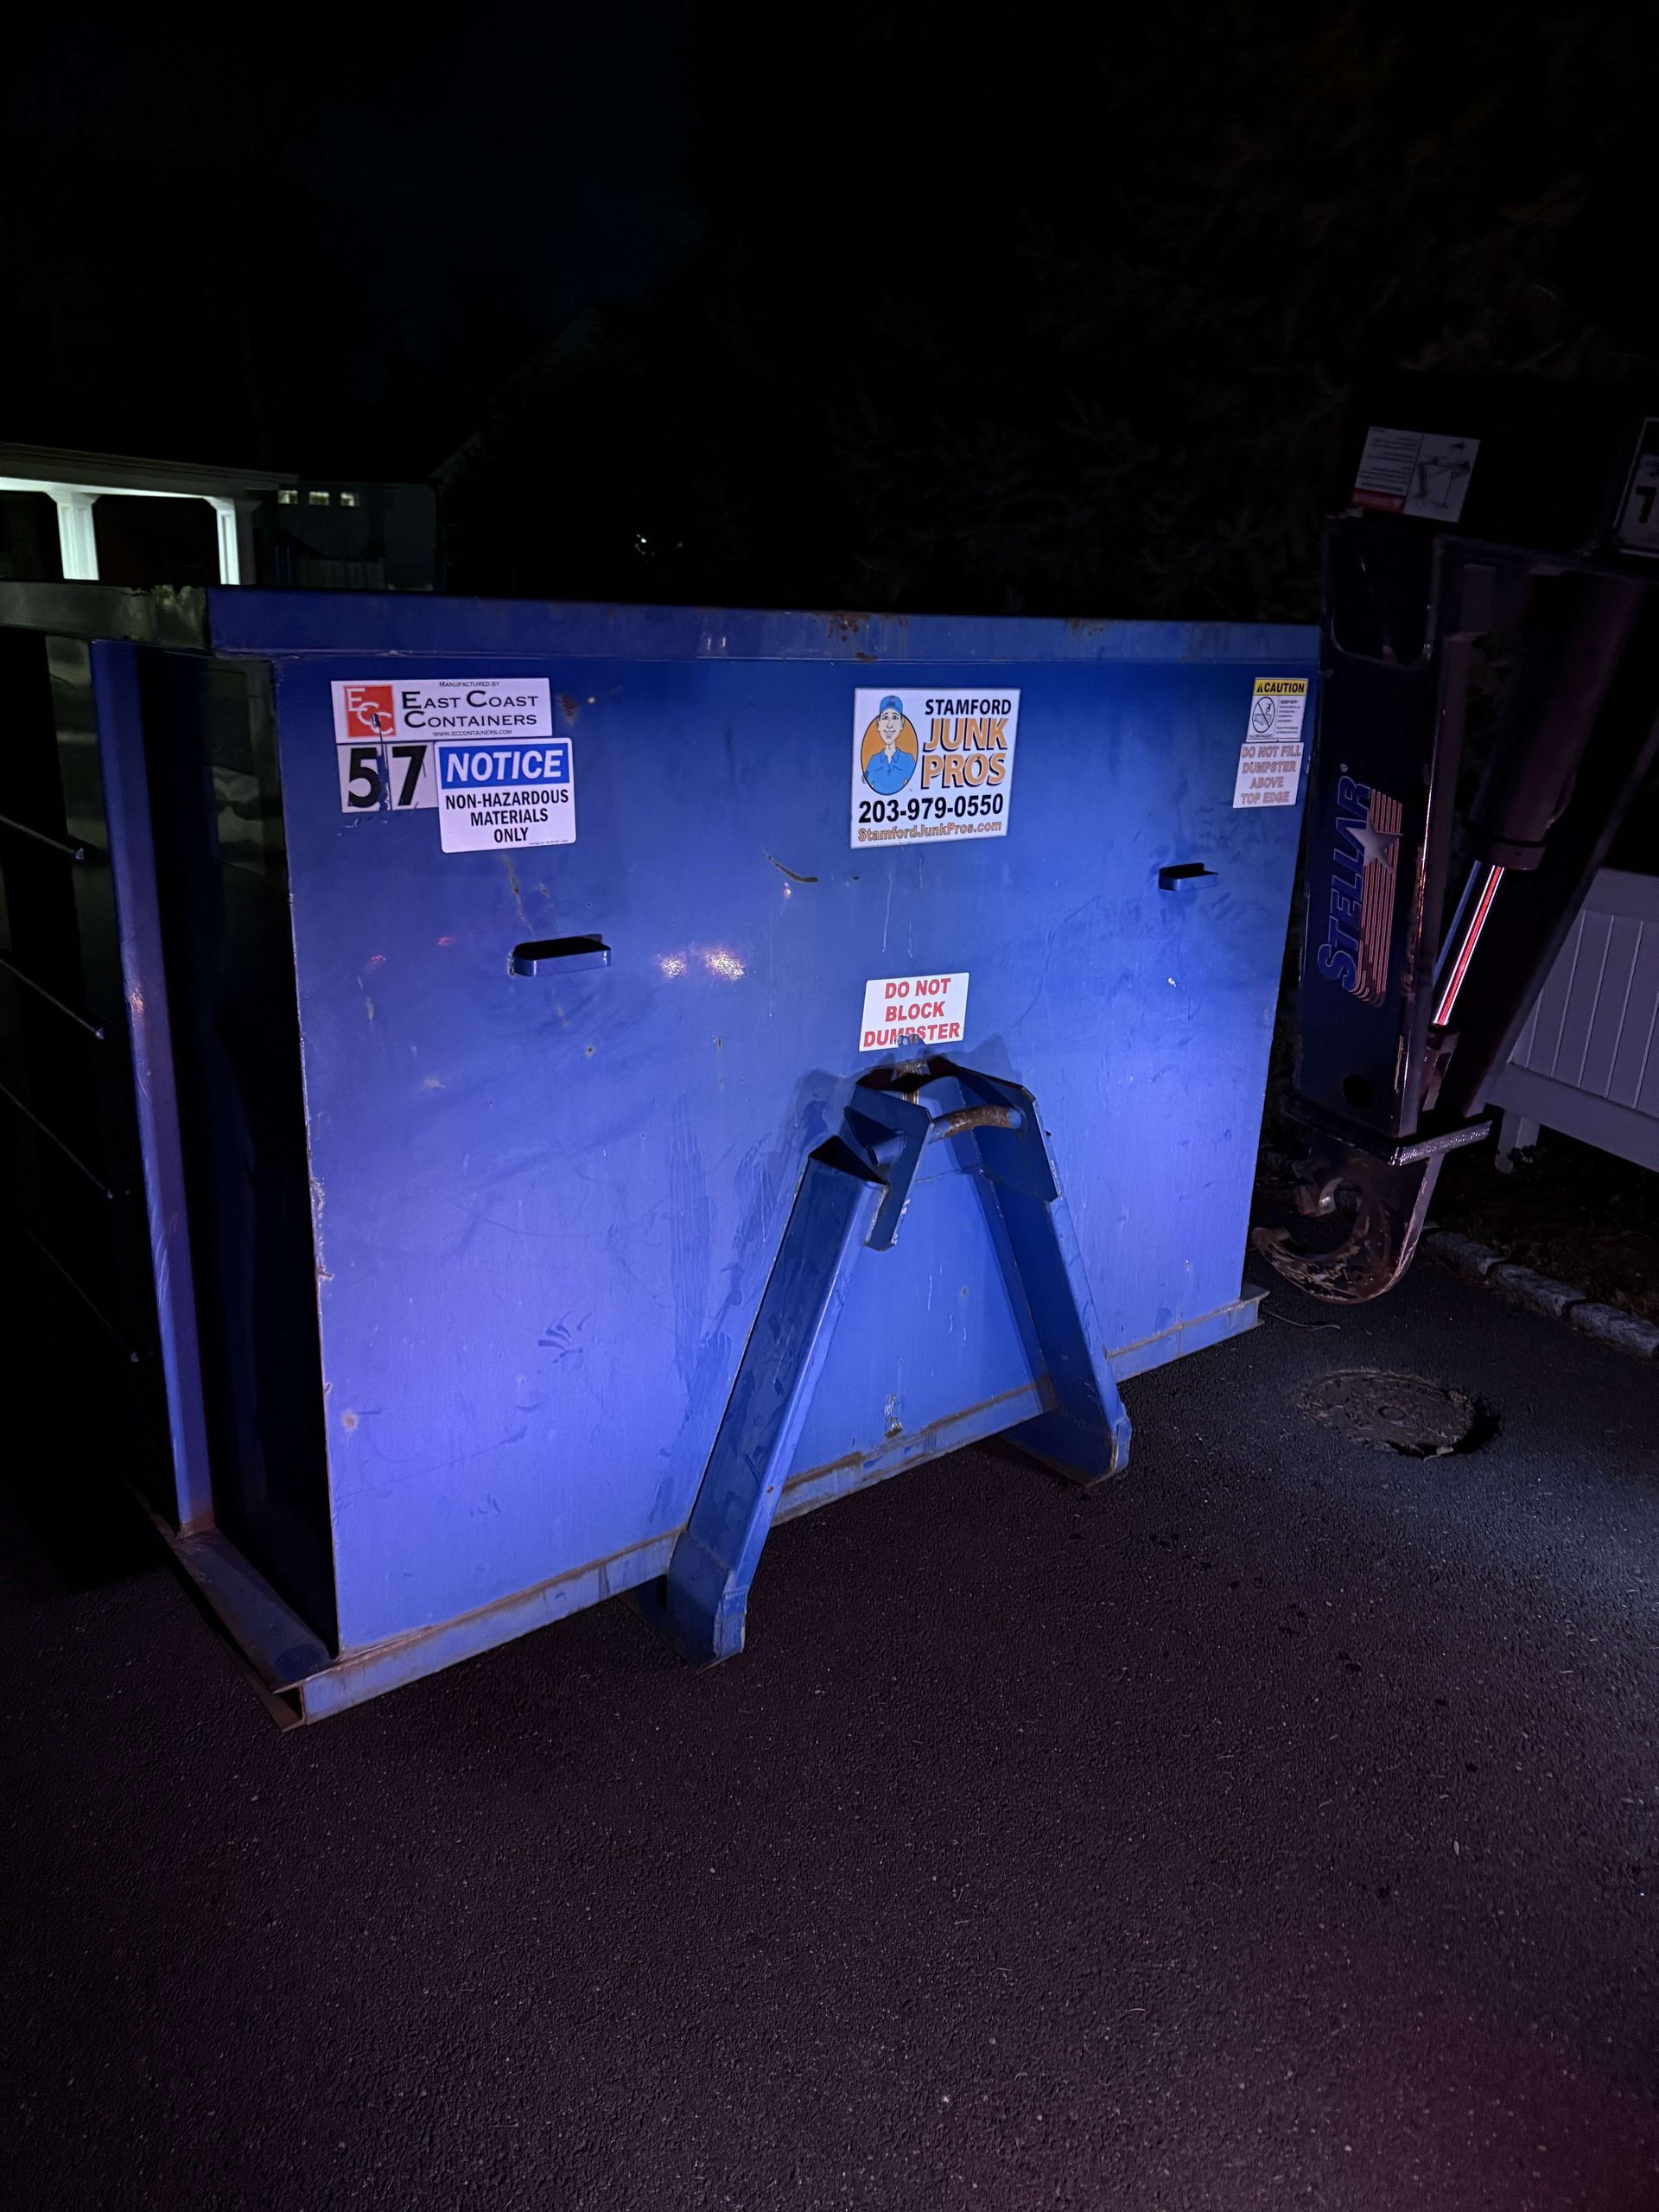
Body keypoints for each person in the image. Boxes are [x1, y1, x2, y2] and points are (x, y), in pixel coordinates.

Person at [862, 696, 918, 795]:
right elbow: (864, 784)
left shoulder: (908, 759)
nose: (889, 725)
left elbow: (916, 786)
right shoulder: (874, 760)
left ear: (902, 723)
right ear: (878, 724)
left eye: (895, 717)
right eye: (885, 717)